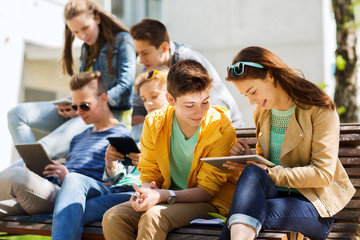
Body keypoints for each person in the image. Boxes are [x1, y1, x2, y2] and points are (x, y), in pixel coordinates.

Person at [219, 46, 356, 240]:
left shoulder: (319, 109)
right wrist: (250, 158)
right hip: (274, 196)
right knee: (249, 191)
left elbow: (322, 174)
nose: (252, 101)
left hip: (312, 206)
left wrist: (269, 173)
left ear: (270, 75)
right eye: (246, 95)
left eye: (253, 91)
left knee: (243, 214)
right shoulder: (262, 112)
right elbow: (267, 165)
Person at [102, 59, 240, 240]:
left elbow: (206, 191)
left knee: (153, 217)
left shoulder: (220, 126)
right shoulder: (154, 123)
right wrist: (146, 194)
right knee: (113, 218)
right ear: (170, 99)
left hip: (210, 203)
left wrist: (160, 196)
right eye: (190, 105)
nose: (200, 111)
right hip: (165, 196)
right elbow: (150, 172)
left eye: (205, 102)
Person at [7, 0, 136, 162]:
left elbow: (125, 86)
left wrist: (88, 106)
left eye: (85, 28)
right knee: (16, 114)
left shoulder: (123, 42)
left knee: (45, 147)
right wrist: (70, 103)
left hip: (107, 114)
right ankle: (33, 171)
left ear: (97, 18)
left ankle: (26, 173)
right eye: (75, 32)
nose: (82, 36)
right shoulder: (87, 49)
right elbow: (82, 87)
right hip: (80, 109)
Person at [51, 67, 170, 240]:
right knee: (73, 179)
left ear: (171, 96)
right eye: (144, 99)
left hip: (137, 191)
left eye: (154, 97)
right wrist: (111, 164)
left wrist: (145, 164)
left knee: (73, 209)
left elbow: (170, 177)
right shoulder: (138, 130)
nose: (148, 103)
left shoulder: (175, 131)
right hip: (116, 188)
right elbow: (116, 176)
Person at [0, 71, 130, 218]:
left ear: (103, 99)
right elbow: (62, 177)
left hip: (73, 200)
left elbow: (114, 187)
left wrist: (68, 177)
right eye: (75, 107)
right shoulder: (78, 138)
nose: (79, 112)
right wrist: (44, 172)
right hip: (52, 192)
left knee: (18, 175)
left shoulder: (121, 137)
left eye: (85, 106)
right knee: (20, 178)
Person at [129, 18, 244, 128]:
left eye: (145, 53)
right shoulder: (149, 69)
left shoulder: (189, 62)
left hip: (224, 127)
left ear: (164, 47)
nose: (140, 59)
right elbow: (138, 110)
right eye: (137, 54)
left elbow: (209, 106)